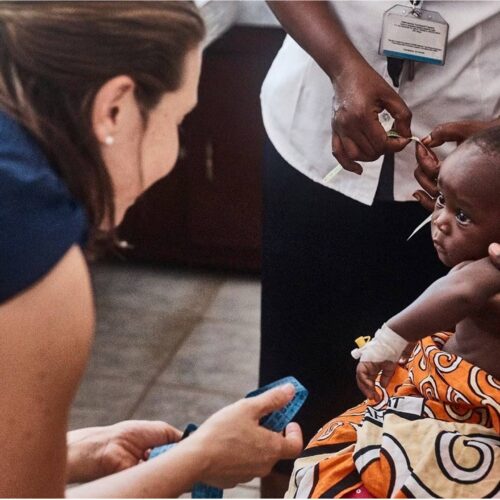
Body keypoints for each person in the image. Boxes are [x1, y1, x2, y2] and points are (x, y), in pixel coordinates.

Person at [0, 3, 303, 497]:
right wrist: (195, 461)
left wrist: (76, 453)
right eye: (180, 118)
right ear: (114, 108)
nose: (175, 148)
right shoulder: (35, 242)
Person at [258, 1, 500, 493]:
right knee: (296, 407)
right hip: (314, 140)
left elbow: (458, 294)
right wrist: (343, 65)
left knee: (427, 443)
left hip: (480, 177)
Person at [287, 126, 500, 498]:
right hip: (453, 400)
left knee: (340, 468)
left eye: (463, 215)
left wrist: (389, 340)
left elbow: (459, 292)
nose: (440, 221)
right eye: (440, 201)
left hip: (465, 413)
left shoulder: (488, 273)